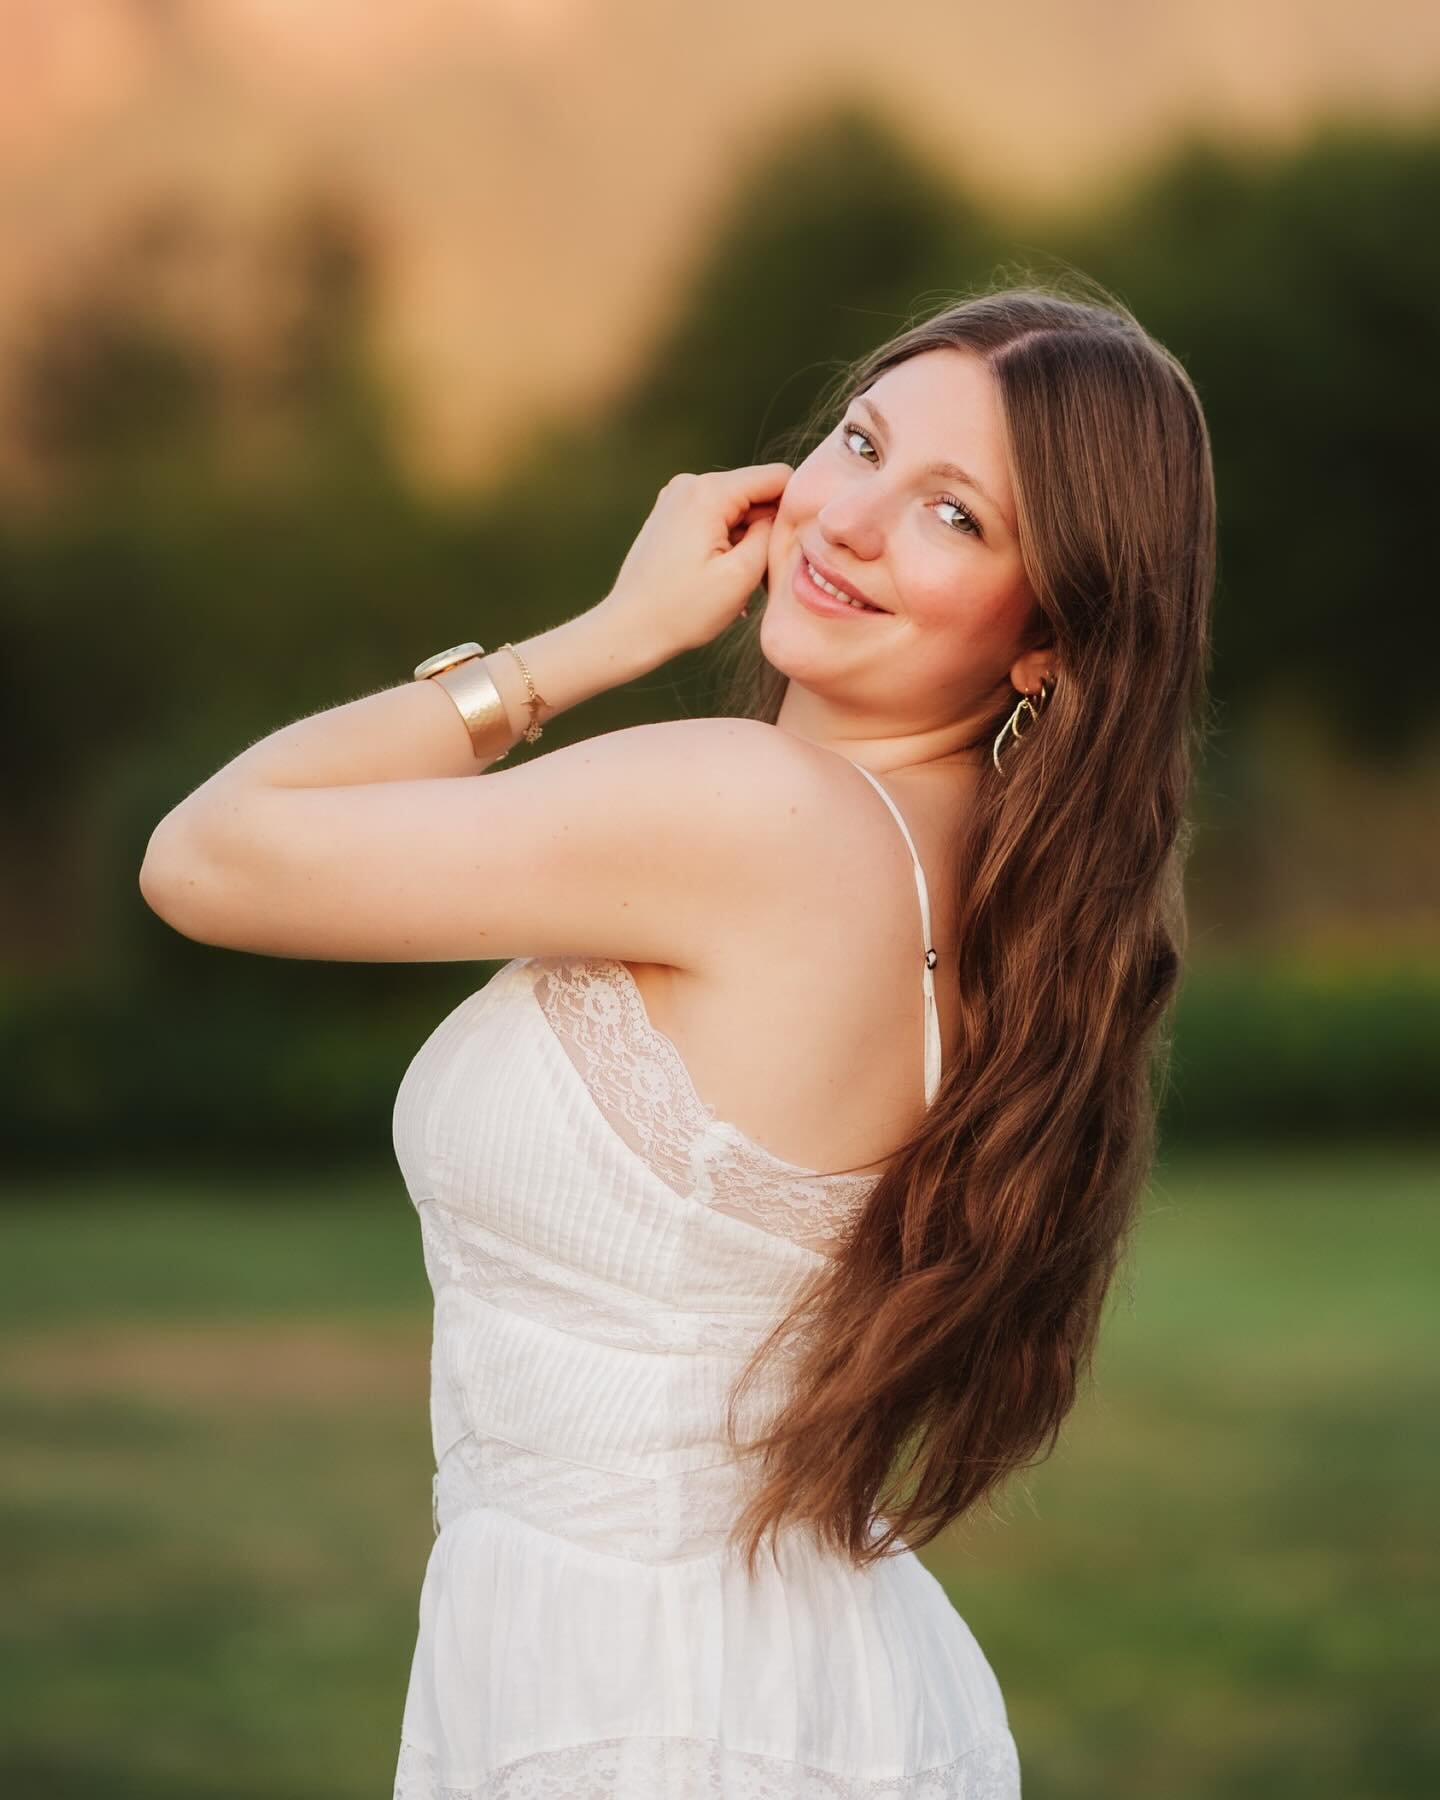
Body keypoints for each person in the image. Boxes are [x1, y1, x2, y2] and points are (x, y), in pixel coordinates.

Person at [139, 278, 1216, 1798]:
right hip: (790, 1679)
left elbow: (207, 855)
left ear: (1048, 637)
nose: (847, 519)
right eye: (859, 443)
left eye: (956, 515)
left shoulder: (753, 812)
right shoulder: (1000, 897)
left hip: (648, 1705)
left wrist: (595, 640)